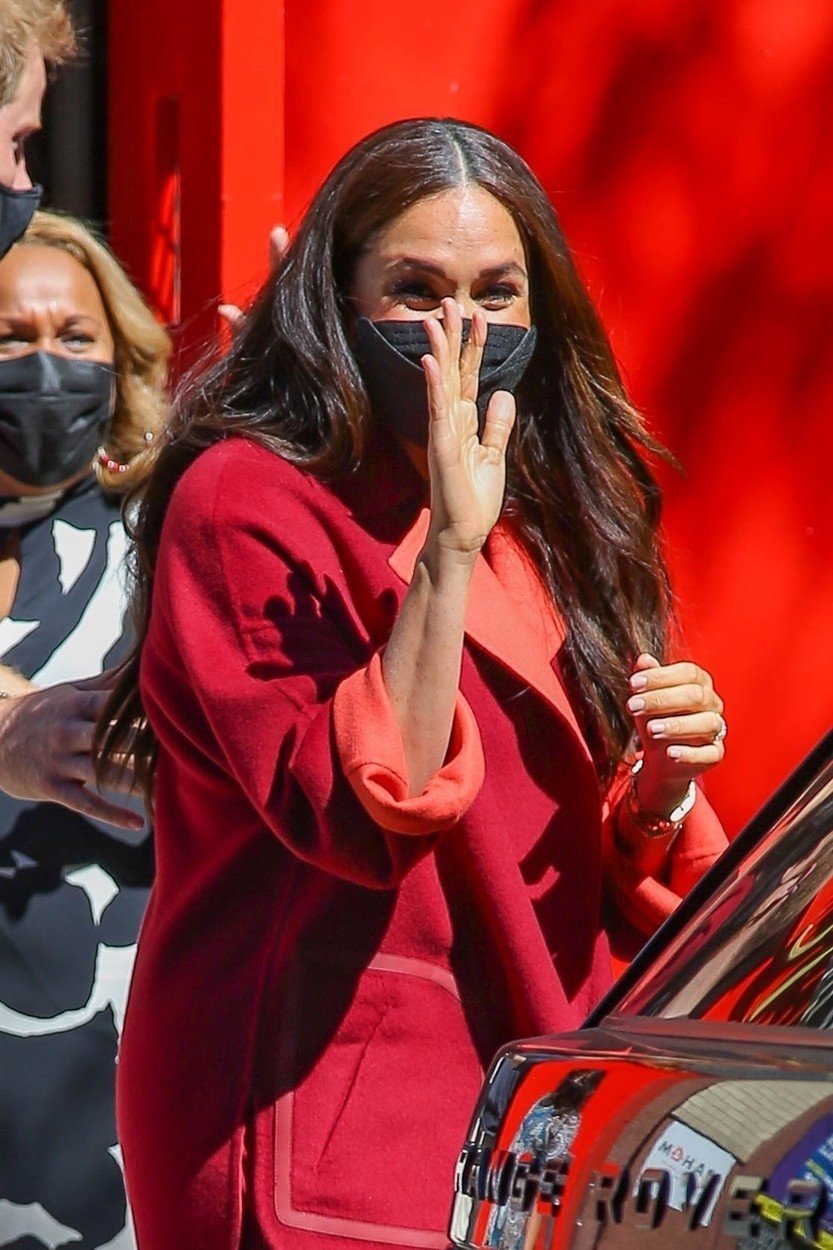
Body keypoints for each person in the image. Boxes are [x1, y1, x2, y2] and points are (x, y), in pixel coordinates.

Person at [99, 118, 729, 1250]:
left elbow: (541, 842)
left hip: (532, 1100)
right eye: (416, 290)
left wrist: (655, 794)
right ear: (336, 303)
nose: (462, 329)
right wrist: (444, 546)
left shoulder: (554, 514)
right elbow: (359, 803)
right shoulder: (246, 501)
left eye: (497, 291)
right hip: (314, 1107)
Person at [0, 209, 170, 1248]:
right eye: (11, 339)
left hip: (96, 1114)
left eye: (75, 340)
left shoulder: (157, 555)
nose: (45, 367)